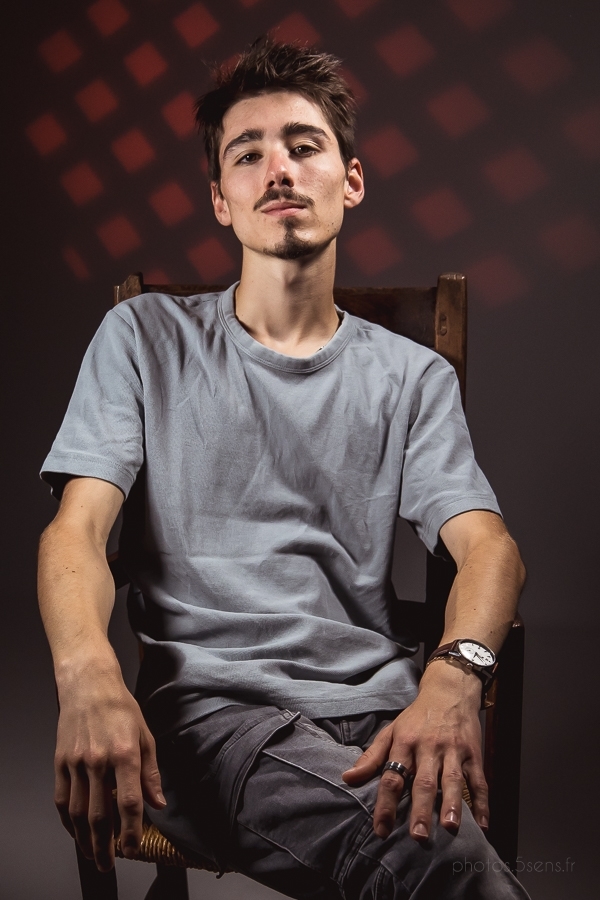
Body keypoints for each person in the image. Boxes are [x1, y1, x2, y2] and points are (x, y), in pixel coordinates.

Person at [38, 39, 530, 899]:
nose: (278, 170)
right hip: (218, 718)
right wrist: (86, 674)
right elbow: (75, 530)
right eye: (247, 154)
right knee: (442, 863)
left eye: (304, 146)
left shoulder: (412, 378)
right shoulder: (144, 339)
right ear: (220, 201)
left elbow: (490, 548)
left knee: (438, 859)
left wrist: (456, 676)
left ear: (351, 180)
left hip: (380, 712)